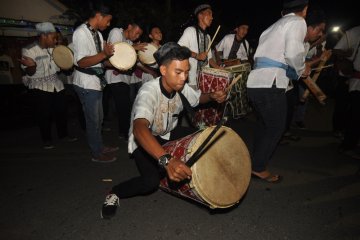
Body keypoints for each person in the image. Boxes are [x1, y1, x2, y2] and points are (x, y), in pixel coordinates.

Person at [100, 42, 227, 219]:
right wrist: (167, 161)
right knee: (150, 183)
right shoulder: (148, 92)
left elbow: (198, 99)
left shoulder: (180, 87)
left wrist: (212, 96)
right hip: (145, 140)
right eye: (178, 72)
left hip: (166, 134)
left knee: (203, 138)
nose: (184, 77)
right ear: (163, 70)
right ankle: (114, 192)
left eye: (186, 71)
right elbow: (139, 129)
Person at [246, 0, 311, 183]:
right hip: (270, 82)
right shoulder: (297, 22)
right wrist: (301, 68)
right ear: (304, 10)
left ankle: (255, 161)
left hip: (255, 82)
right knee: (275, 127)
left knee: (263, 124)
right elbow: (293, 54)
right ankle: (258, 167)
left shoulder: (272, 27)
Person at [19, 22, 77, 149]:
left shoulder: (55, 49)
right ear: (44, 36)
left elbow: (62, 67)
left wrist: (66, 61)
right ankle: (46, 138)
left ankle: (63, 135)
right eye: (53, 37)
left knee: (61, 110)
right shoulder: (29, 50)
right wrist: (31, 65)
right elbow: (29, 72)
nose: (56, 40)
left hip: (56, 83)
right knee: (44, 114)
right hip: (39, 85)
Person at [72, 5, 118, 163]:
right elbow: (82, 62)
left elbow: (101, 62)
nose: (109, 24)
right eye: (108, 20)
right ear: (99, 16)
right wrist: (104, 54)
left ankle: (99, 145)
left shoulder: (98, 34)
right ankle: (96, 153)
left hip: (96, 82)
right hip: (85, 83)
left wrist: (120, 64)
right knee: (93, 119)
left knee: (99, 118)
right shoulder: (80, 33)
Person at [281, 8, 327, 143]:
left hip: (289, 80)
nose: (320, 36)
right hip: (280, 79)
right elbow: (296, 62)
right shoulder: (296, 39)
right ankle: (279, 133)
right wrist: (317, 60)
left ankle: (284, 131)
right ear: (309, 28)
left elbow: (301, 64)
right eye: (319, 31)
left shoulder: (306, 44)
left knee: (291, 105)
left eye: (322, 34)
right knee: (285, 107)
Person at [105, 22, 147, 140]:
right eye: (137, 32)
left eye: (139, 35)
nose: (137, 36)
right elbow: (116, 51)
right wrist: (134, 48)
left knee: (125, 106)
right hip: (115, 78)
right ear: (129, 27)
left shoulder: (128, 42)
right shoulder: (116, 32)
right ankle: (125, 133)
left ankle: (124, 131)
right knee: (124, 107)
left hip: (124, 78)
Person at [178, 3, 222, 89]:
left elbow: (209, 59)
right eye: (209, 14)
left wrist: (218, 68)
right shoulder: (190, 31)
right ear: (200, 15)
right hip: (192, 80)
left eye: (212, 15)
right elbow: (180, 48)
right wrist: (197, 55)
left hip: (205, 79)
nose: (212, 17)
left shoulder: (208, 37)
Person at [333, 25, 360, 159]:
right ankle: (347, 143)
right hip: (353, 79)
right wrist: (346, 54)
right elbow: (337, 50)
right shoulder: (354, 32)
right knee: (352, 112)